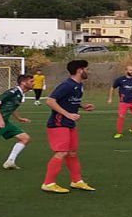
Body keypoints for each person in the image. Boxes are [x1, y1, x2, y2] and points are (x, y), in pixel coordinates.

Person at [41, 60, 96, 194]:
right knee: (61, 153)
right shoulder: (67, 85)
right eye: (86, 69)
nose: (88, 71)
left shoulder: (79, 85)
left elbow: (68, 100)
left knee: (72, 153)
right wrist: (68, 114)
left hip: (69, 124)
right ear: (80, 70)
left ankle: (77, 181)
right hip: (58, 124)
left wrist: (82, 106)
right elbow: (50, 101)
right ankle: (48, 183)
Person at [108, 65, 132, 139]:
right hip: (124, 102)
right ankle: (119, 133)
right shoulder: (120, 80)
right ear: (126, 71)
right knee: (121, 116)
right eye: (130, 70)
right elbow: (112, 88)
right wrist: (110, 98)